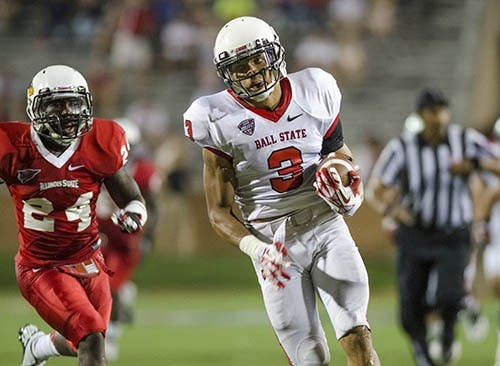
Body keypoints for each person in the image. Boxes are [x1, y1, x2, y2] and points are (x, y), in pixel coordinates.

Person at [183, 16, 379, 366]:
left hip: (324, 224)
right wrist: (259, 251)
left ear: (275, 54)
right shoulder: (215, 117)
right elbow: (218, 212)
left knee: (358, 336)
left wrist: (352, 193)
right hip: (272, 240)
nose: (253, 72)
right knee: (309, 357)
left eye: (258, 59)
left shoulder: (314, 88)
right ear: (226, 73)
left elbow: (340, 155)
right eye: (241, 66)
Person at [0, 64, 147, 366]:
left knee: (91, 337)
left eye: (73, 102)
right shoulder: (12, 146)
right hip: (42, 266)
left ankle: (39, 346)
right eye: (56, 104)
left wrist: (134, 213)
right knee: (91, 337)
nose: (67, 112)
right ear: (36, 107)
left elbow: (131, 198)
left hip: (91, 260)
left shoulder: (100, 142)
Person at [366, 88, 497, 366]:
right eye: (433, 112)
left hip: (453, 233)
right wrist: (391, 208)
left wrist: (475, 163)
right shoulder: (402, 147)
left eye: (442, 110)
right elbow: (375, 189)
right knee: (409, 310)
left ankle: (448, 334)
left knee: (450, 295)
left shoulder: (465, 140)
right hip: (415, 234)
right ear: (422, 116)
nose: (439, 117)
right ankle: (424, 355)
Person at [96, 118, 161, 361]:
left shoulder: (143, 172)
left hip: (127, 236)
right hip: (100, 230)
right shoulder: (96, 163)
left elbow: (153, 207)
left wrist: (148, 237)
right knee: (96, 283)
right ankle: (124, 292)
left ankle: (110, 335)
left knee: (109, 285)